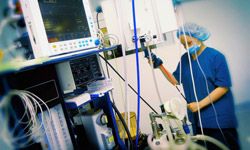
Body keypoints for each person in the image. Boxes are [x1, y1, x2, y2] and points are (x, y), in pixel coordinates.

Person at [155, 23, 240, 149]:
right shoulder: (185, 59)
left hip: (219, 121)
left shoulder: (216, 57)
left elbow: (223, 87)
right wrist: (160, 65)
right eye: (183, 45)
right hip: (198, 121)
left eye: (188, 43)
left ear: (198, 37)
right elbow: (175, 80)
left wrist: (199, 105)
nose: (186, 47)